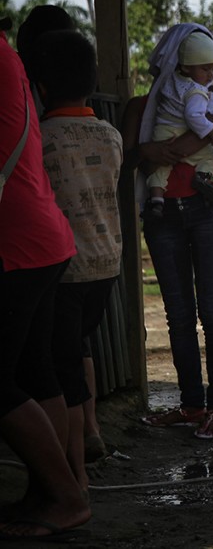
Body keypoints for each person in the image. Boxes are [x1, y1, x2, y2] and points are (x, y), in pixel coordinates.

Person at [0, 28, 91, 540]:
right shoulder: (10, 58)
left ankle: (64, 495)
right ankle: (55, 491)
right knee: (36, 370)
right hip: (43, 235)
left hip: (14, 240)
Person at [130, 23, 213, 440]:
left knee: (212, 311)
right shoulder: (142, 107)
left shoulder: (211, 96)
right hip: (164, 215)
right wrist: (153, 149)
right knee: (178, 315)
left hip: (210, 207)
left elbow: (204, 139)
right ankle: (192, 404)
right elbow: (133, 155)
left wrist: (159, 149)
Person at [35, 29, 123, 490]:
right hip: (106, 264)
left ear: (41, 87)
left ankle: (74, 474)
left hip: (63, 268)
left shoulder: (42, 137)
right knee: (79, 349)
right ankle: (90, 433)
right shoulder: (111, 135)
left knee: (60, 367)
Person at [145, 31, 213, 218]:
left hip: (162, 133)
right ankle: (203, 177)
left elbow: (157, 158)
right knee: (212, 158)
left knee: (161, 170)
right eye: (205, 69)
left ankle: (156, 198)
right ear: (185, 66)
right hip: (195, 207)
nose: (211, 75)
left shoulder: (169, 84)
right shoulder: (200, 92)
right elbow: (193, 119)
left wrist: (150, 150)